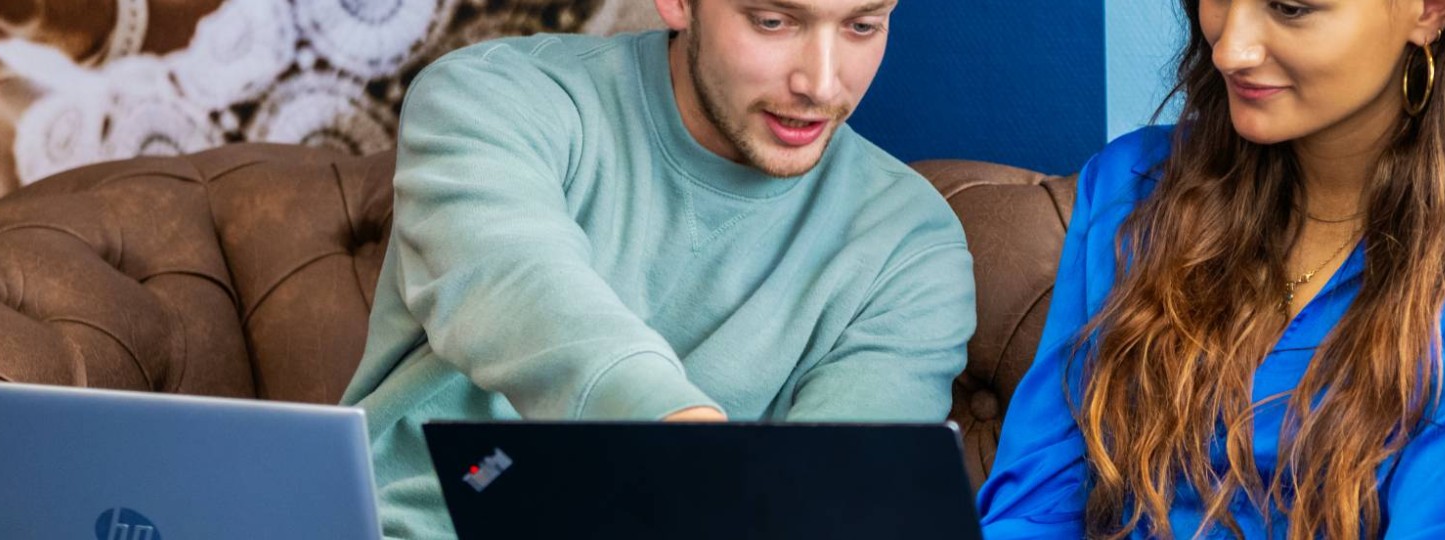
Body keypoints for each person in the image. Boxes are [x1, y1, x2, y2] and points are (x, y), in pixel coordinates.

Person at [976, 0, 1445, 538]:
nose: (1231, 48)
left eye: (1290, 6)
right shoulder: (1132, 185)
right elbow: (1033, 505)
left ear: (1430, 10)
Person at [339, 0, 976, 536]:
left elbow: (838, 500)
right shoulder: (491, 97)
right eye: (773, 21)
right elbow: (517, 284)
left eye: (863, 26)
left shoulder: (911, 246)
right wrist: (684, 440)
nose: (822, 84)